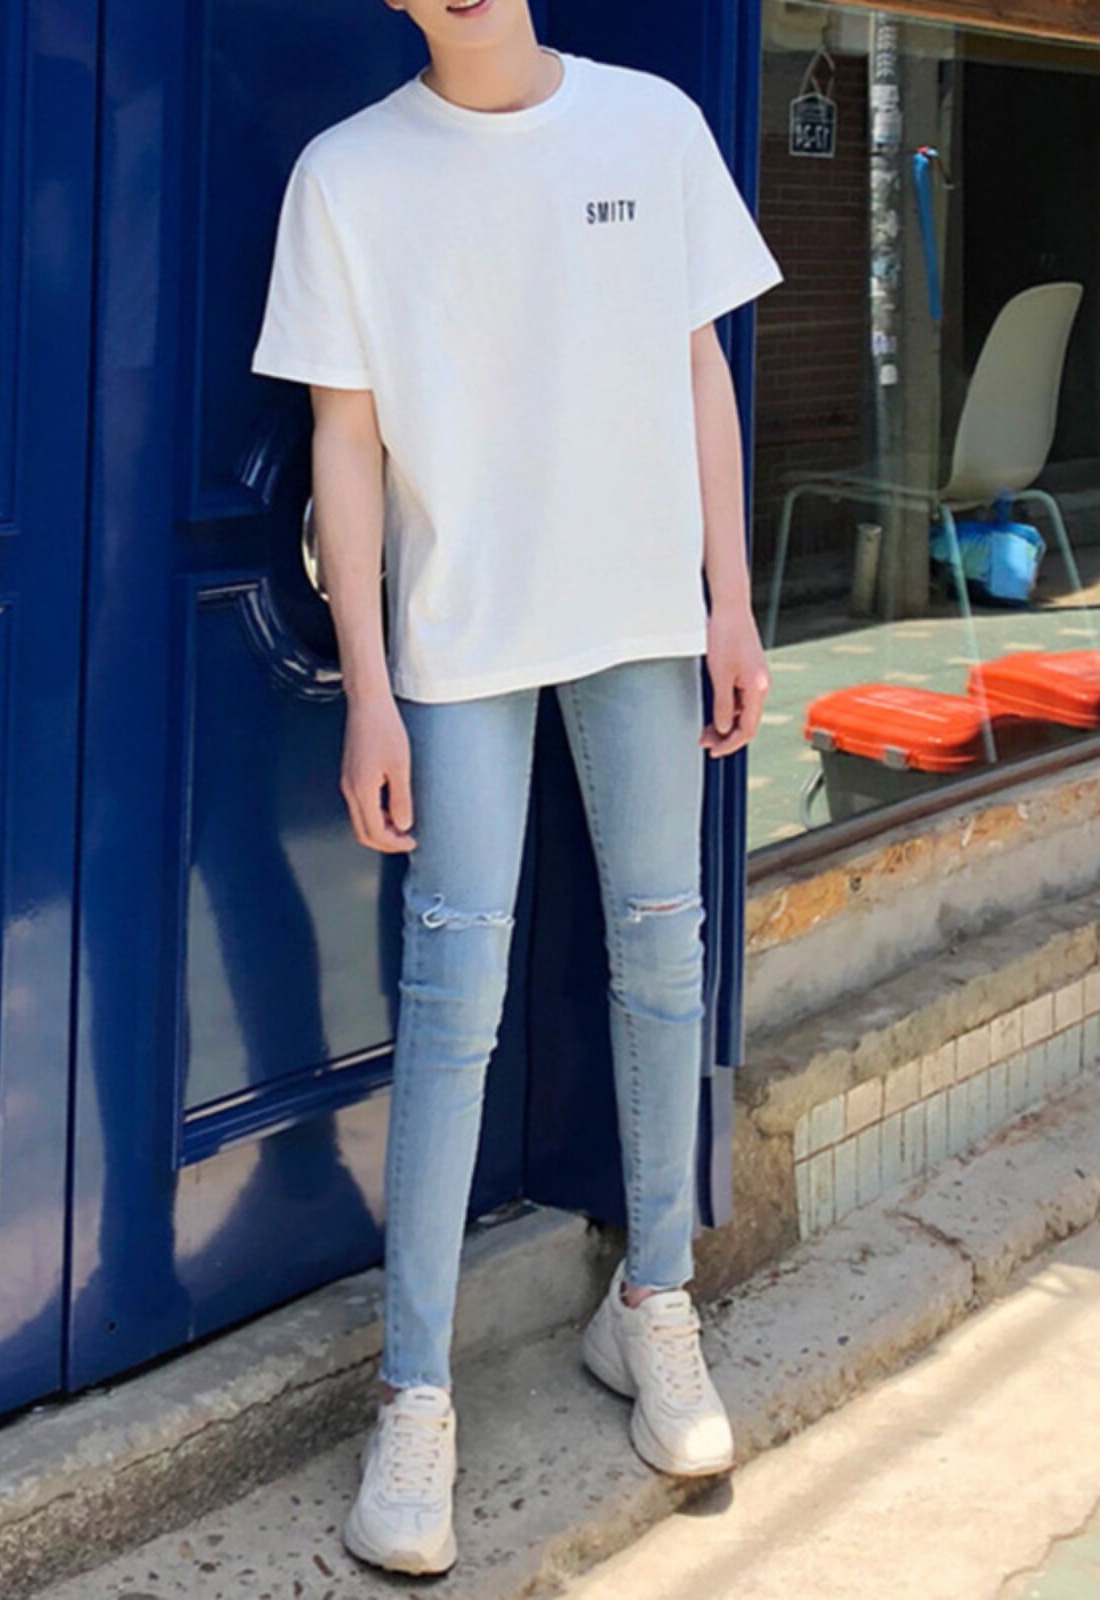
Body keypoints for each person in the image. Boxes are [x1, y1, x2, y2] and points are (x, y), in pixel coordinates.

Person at [251, 0, 782, 1577]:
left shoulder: (651, 124)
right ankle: (414, 1393)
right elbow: (344, 442)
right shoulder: (348, 173)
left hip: (642, 621)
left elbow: (700, 371)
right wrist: (368, 686)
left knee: (665, 957)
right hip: (460, 640)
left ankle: (654, 1304)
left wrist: (731, 600)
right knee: (452, 994)